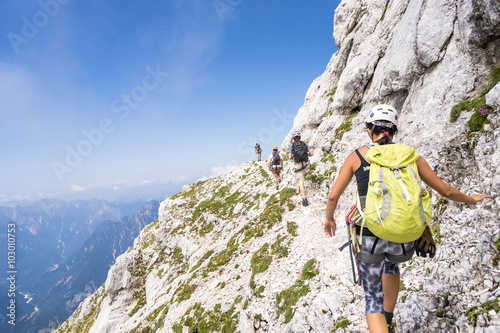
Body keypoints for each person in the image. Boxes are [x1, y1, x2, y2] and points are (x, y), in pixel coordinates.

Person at [323, 104, 490, 333]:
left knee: (373, 300)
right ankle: (388, 321)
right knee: (391, 266)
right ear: (393, 131)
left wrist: (329, 219)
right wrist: (470, 199)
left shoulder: (358, 156)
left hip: (370, 233)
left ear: (370, 130)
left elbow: (333, 196)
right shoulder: (411, 156)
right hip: (403, 236)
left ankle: (382, 323)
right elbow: (447, 191)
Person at [288, 130, 313, 206]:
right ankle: (303, 185)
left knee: (300, 183)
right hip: (305, 163)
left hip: (298, 164)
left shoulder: (292, 145)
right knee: (304, 173)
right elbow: (311, 153)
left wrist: (294, 158)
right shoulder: (304, 144)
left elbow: (289, 157)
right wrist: (305, 155)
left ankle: (304, 199)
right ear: (300, 137)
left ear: (293, 138)